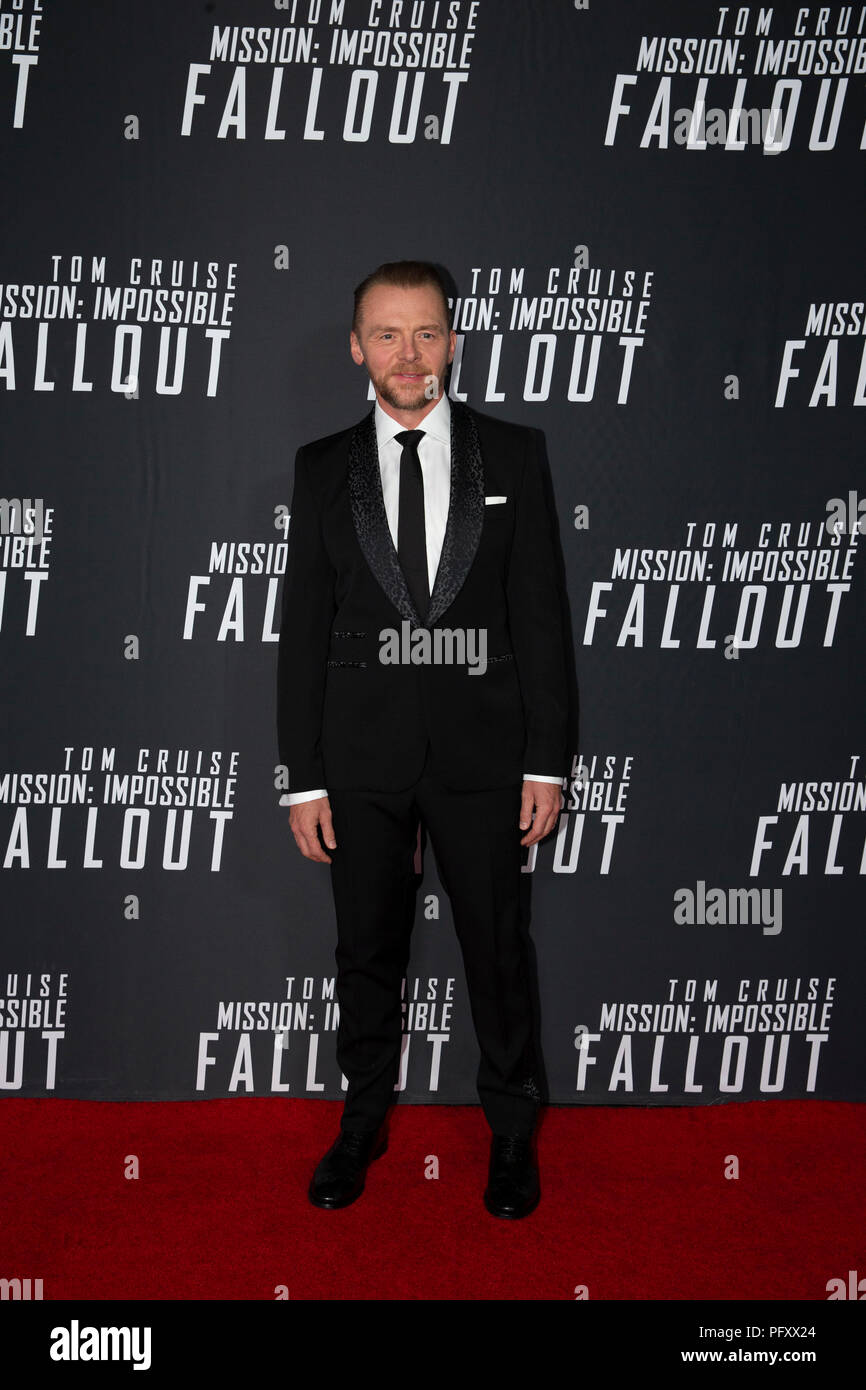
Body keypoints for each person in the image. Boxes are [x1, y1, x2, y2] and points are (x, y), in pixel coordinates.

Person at [277, 260, 573, 1218]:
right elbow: (305, 631)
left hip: (486, 760)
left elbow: (539, 620)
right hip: (358, 762)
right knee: (365, 952)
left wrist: (545, 761)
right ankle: (362, 1120)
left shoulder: (514, 453)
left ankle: (513, 1133)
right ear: (358, 348)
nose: (409, 355)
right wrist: (302, 778)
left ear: (453, 340)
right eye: (388, 335)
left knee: (497, 951)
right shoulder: (323, 467)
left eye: (427, 332)